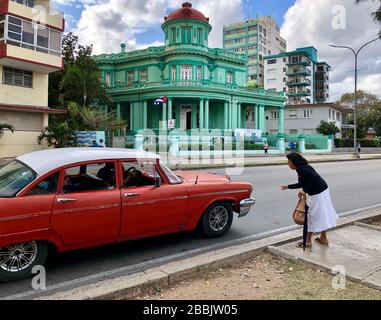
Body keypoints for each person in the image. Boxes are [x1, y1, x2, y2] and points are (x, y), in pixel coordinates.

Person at [281, 152, 339, 249]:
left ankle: (307, 241)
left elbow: (313, 177)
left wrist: (304, 190)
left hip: (318, 193)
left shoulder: (302, 169)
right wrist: (288, 186)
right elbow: (303, 183)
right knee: (320, 214)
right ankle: (323, 238)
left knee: (311, 216)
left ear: (294, 163)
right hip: (321, 191)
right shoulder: (303, 168)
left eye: (289, 162)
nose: (288, 164)